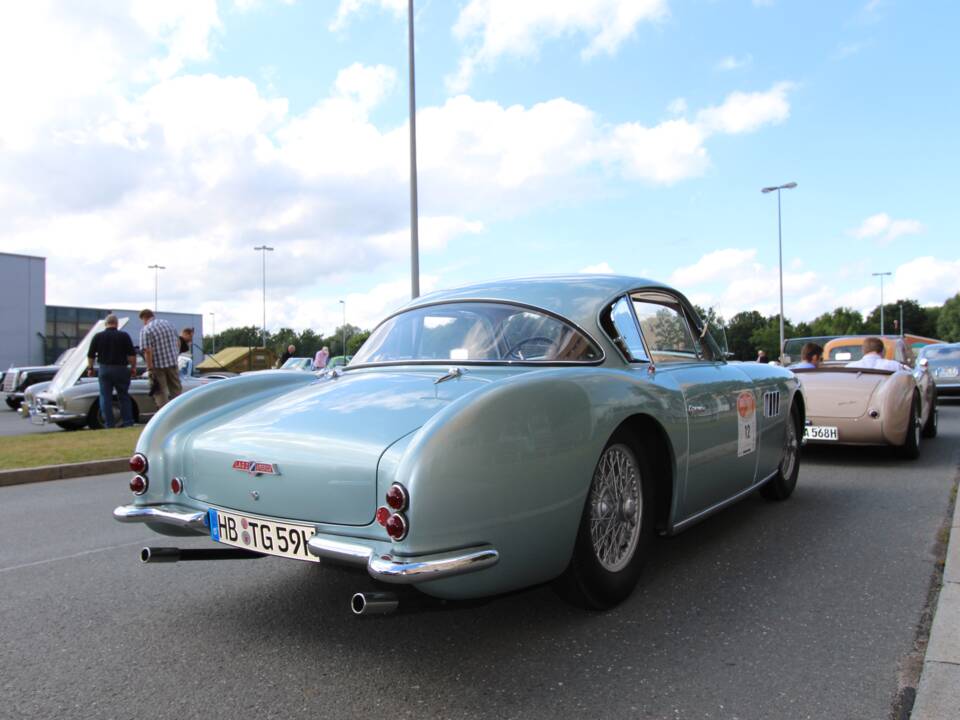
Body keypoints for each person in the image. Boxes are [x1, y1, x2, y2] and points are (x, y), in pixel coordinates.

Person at [86, 314, 137, 428]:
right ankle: (128, 422)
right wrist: (133, 368)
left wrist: (90, 368)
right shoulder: (124, 336)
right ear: (117, 324)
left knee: (105, 396)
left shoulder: (98, 336)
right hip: (121, 369)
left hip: (104, 369)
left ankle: (109, 423)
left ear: (106, 324)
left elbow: (90, 355)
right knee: (123, 396)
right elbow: (132, 355)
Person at [139, 309, 182, 407]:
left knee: (160, 392)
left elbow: (147, 351)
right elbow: (178, 342)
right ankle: (179, 410)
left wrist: (149, 367)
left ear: (144, 318)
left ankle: (164, 414)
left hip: (157, 366)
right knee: (176, 390)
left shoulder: (146, 330)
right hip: (172, 363)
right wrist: (175, 356)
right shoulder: (168, 324)